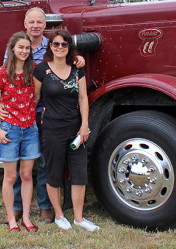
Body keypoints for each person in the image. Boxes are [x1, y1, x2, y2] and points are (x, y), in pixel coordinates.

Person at [0, 7, 85, 223]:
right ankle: (17, 207)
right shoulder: (17, 47)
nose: (35, 26)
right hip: (23, 114)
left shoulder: (53, 45)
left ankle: (45, 205)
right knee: (19, 162)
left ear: (45, 24)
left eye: (39, 22)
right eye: (32, 22)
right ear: (25, 24)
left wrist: (78, 58)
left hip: (47, 115)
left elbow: (65, 59)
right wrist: (1, 104)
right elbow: (6, 80)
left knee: (46, 162)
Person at [33, 29, 99, 232]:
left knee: (79, 174)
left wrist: (84, 125)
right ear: (50, 46)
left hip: (76, 130)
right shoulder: (41, 70)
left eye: (64, 44)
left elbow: (83, 98)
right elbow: (34, 99)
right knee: (53, 173)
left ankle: (79, 218)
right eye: (56, 44)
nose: (60, 47)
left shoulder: (77, 69)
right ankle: (59, 216)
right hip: (52, 130)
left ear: (69, 47)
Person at [0, 31, 41, 232]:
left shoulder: (34, 71)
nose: (24, 51)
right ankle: (12, 218)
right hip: (9, 129)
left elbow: (36, 96)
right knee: (10, 177)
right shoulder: (1, 73)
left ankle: (26, 218)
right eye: (20, 47)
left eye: (27, 48)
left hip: (30, 129)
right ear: (12, 49)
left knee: (27, 174)